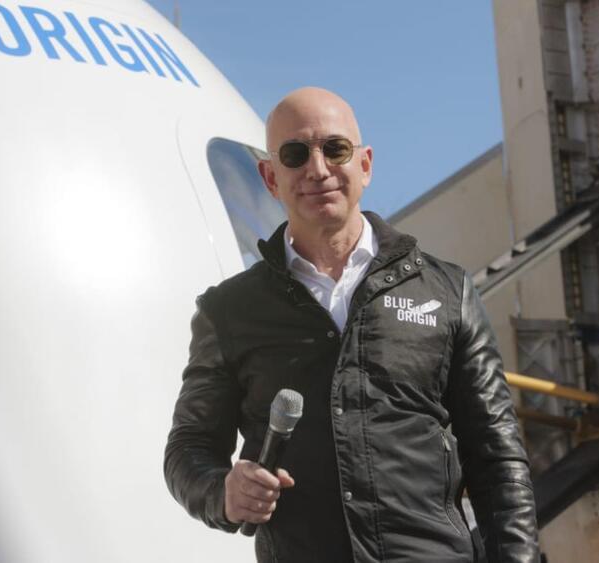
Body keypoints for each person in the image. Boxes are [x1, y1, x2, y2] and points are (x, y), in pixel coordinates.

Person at [164, 87, 538, 562]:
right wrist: (222, 492)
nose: (318, 169)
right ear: (270, 177)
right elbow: (188, 449)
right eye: (295, 154)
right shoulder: (229, 311)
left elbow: (498, 458)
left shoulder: (448, 292)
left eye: (335, 149)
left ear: (365, 164)